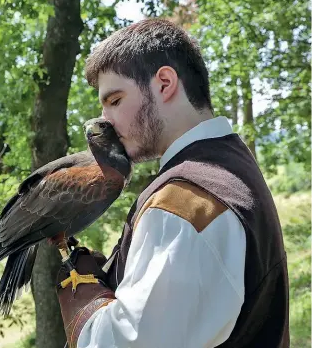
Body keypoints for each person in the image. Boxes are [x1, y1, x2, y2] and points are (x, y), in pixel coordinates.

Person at [56, 18, 289, 348]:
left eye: (115, 100)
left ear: (164, 83)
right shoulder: (229, 162)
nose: (104, 120)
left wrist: (83, 296)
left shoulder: (183, 207)